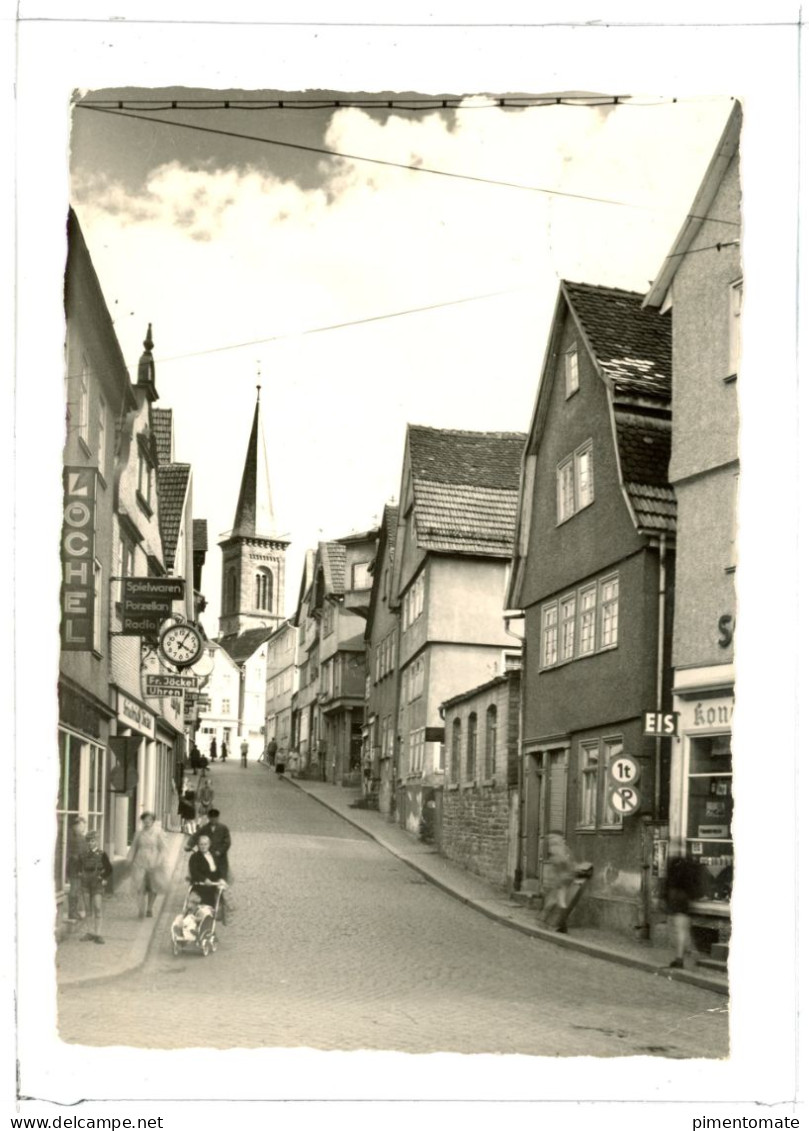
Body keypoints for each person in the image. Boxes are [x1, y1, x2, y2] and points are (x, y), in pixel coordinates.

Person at [663, 840, 703, 968]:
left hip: (678, 899)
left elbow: (668, 882)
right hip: (683, 899)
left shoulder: (676, 864)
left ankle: (682, 957)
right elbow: (695, 884)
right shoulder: (690, 864)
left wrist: (664, 897)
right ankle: (689, 953)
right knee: (682, 929)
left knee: (679, 929)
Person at [127, 811, 169, 919]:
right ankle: (141, 909)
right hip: (140, 862)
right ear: (142, 821)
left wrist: (159, 861)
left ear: (153, 821)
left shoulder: (158, 833)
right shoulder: (138, 834)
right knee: (140, 886)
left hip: (154, 862)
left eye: (149, 820)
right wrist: (129, 859)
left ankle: (149, 908)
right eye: (145, 821)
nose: (147, 823)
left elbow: (163, 848)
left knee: (152, 887)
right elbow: (133, 847)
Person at [78, 829, 112, 944]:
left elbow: (109, 869)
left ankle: (98, 934)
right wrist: (80, 875)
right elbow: (78, 869)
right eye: (89, 841)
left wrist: (103, 878)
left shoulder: (102, 854)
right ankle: (89, 932)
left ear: (96, 841)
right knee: (88, 909)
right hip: (86, 884)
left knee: (97, 907)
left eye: (93, 841)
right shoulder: (83, 855)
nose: (90, 843)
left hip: (97, 884)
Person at [540, 833, 575, 932]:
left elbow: (561, 864)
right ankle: (559, 925)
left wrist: (558, 877)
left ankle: (559, 924)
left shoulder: (558, 850)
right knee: (557, 900)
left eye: (552, 841)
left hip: (562, 879)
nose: (550, 844)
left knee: (557, 901)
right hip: (563, 879)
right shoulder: (565, 849)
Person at [187, 808, 231, 880]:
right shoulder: (204, 828)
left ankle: (222, 882)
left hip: (219, 854)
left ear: (218, 818)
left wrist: (220, 851)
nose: (213, 820)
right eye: (211, 818)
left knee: (222, 869)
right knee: (202, 864)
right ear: (209, 818)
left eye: (215, 818)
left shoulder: (223, 828)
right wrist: (189, 844)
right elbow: (195, 836)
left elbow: (227, 842)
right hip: (207, 852)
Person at [187, 833, 227, 910]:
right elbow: (194, 871)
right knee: (206, 902)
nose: (203, 846)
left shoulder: (213, 855)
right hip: (201, 885)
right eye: (201, 844)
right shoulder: (195, 857)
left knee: (225, 898)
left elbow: (219, 868)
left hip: (214, 884)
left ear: (209, 845)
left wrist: (221, 878)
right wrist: (204, 879)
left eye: (205, 844)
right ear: (198, 845)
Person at [65, 815, 87, 922]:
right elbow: (74, 855)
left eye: (84, 826)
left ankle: (75, 911)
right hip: (75, 866)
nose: (83, 828)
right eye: (81, 825)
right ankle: (72, 912)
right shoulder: (73, 838)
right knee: (74, 889)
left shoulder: (81, 837)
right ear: (75, 826)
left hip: (79, 866)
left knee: (77, 889)